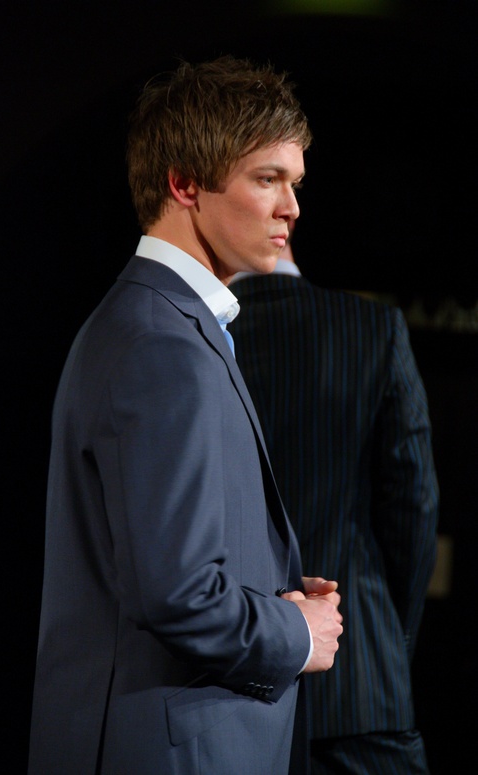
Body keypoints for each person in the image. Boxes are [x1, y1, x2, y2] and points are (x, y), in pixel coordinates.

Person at [28, 57, 343, 775]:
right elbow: (177, 594)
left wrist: (274, 590)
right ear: (184, 184)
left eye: (295, 183)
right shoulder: (160, 343)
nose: (291, 208)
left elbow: (165, 563)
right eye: (268, 179)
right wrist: (294, 632)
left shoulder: (164, 326)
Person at [229, 223, 439, 774]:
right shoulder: (374, 329)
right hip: (364, 684)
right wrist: (391, 641)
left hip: (233, 692)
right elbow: (414, 504)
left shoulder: (195, 341)